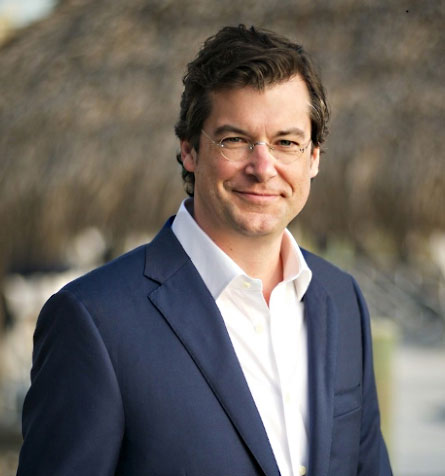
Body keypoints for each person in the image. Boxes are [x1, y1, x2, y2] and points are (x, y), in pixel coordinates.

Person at [17, 25, 392, 476]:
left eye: (286, 142)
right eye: (234, 140)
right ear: (190, 151)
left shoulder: (343, 298)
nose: (263, 167)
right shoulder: (94, 320)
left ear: (313, 158)